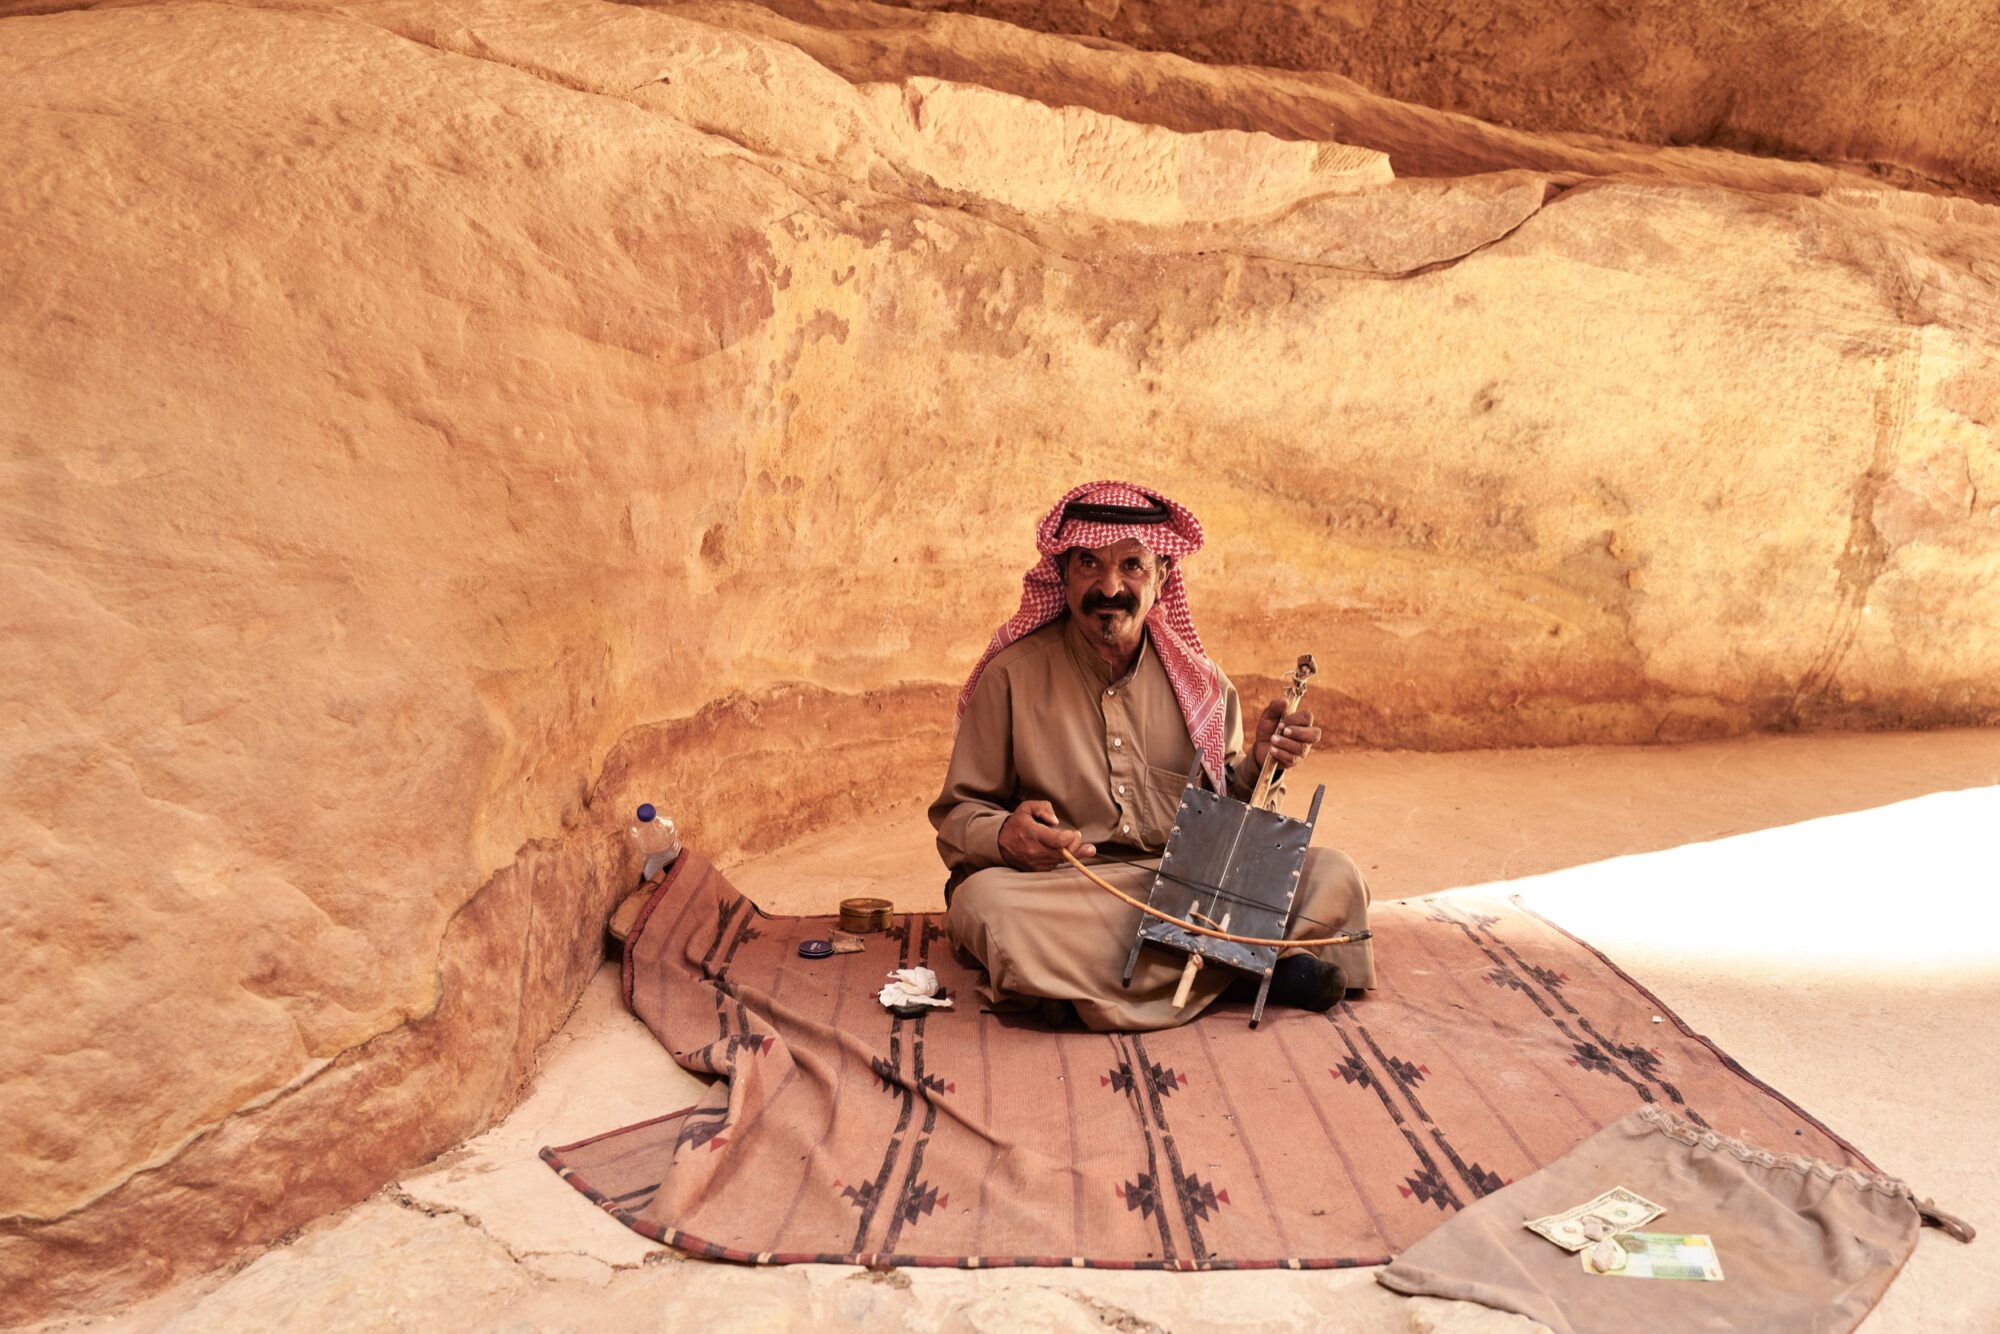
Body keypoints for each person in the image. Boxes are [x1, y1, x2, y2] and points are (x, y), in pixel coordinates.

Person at [933, 480, 1376, 1031]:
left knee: (1333, 875)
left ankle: (1089, 988)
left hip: (1189, 885)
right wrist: (1004, 836)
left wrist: (1259, 767)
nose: (1109, 586)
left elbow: (1234, 824)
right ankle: (1246, 967)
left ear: (1163, 575)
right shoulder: (1011, 679)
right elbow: (957, 817)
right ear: (1063, 574)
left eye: (1132, 566)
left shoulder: (1202, 685)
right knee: (988, 905)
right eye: (1090, 563)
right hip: (1071, 890)